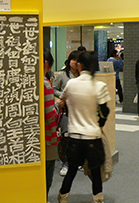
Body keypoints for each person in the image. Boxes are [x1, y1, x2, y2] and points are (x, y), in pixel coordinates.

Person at [58, 51, 111, 203]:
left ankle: (63, 198)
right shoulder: (99, 85)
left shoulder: (71, 83)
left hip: (74, 136)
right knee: (95, 172)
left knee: (72, 171)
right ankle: (98, 199)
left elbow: (62, 101)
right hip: (93, 136)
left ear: (80, 65)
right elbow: (105, 111)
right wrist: (99, 124)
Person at [53, 50, 79, 176]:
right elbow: (54, 89)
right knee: (65, 137)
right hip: (65, 111)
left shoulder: (82, 75)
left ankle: (75, 161)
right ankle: (65, 163)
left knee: (77, 137)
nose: (75, 63)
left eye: (77, 60)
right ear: (69, 61)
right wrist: (63, 96)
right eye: (73, 59)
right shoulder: (62, 74)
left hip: (78, 111)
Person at [43, 50, 65, 201]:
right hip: (47, 136)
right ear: (46, 63)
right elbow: (51, 116)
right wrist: (58, 105)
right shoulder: (45, 84)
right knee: (46, 174)